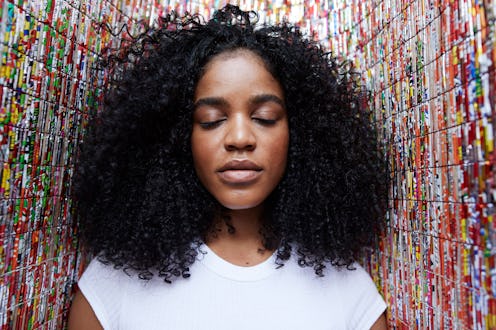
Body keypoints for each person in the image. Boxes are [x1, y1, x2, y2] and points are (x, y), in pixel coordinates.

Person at [69, 5, 388, 329]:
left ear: (301, 133)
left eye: (264, 117)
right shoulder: (112, 287)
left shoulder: (350, 296)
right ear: (178, 138)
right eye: (212, 120)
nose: (239, 138)